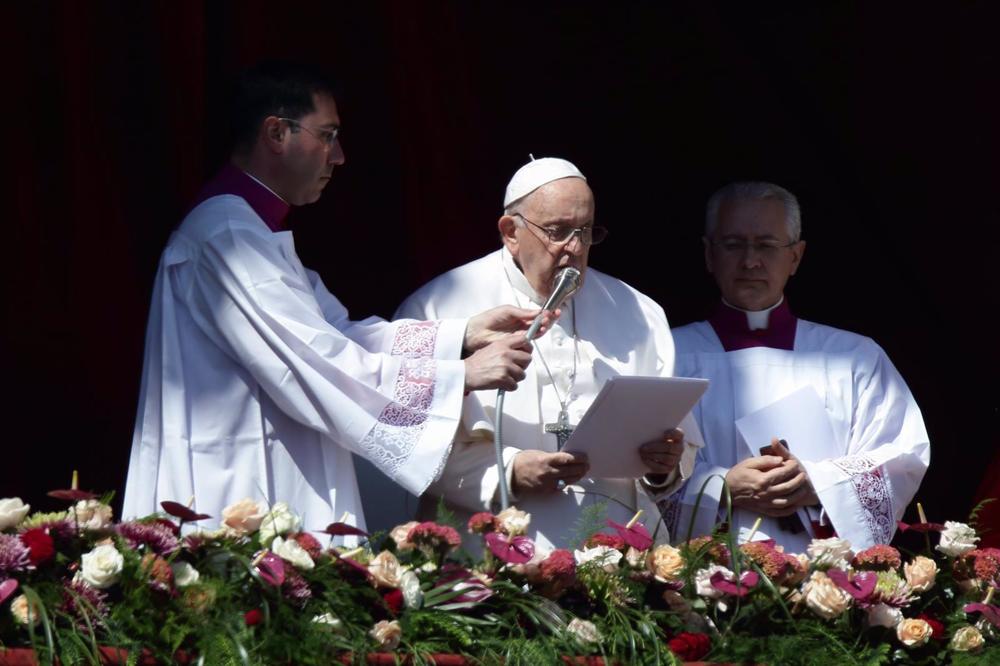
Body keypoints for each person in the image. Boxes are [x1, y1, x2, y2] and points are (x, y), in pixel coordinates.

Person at [121, 61, 547, 535]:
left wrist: (461, 336)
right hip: (233, 489)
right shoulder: (226, 236)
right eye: (327, 135)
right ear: (276, 133)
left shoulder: (251, 232)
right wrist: (459, 376)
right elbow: (316, 358)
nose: (339, 155)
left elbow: (339, 334)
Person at [395, 157, 702, 551]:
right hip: (490, 554)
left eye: (585, 232)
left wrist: (664, 464)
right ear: (510, 232)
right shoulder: (441, 310)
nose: (574, 248)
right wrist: (509, 472)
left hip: (615, 556)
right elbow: (409, 446)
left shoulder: (639, 313)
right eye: (557, 232)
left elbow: (679, 442)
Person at [669, 181, 930, 552]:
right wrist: (721, 487)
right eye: (733, 244)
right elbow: (632, 469)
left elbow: (902, 455)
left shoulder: (854, 357)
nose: (750, 261)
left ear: (796, 256)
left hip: (825, 582)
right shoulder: (667, 353)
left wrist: (816, 482)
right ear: (709, 255)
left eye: (766, 245)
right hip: (700, 577)